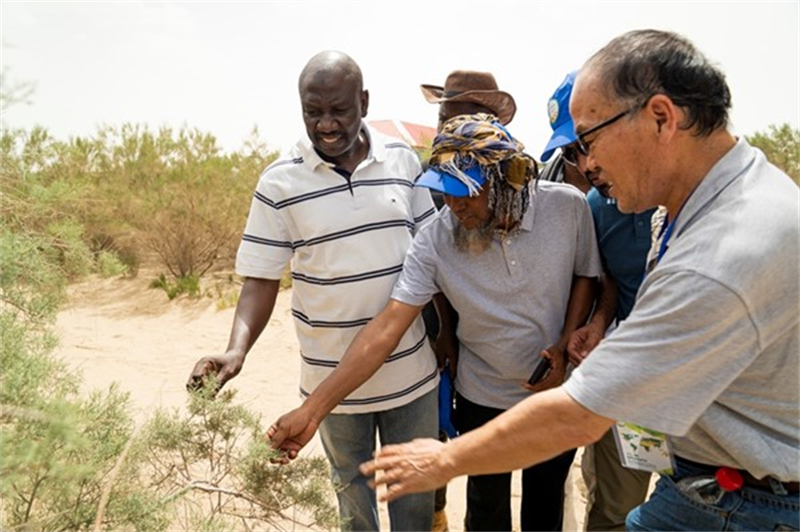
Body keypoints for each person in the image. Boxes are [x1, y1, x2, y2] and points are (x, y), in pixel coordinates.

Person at [361, 29, 800, 532]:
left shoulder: (724, 252)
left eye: (589, 140)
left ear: (661, 117)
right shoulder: (698, 204)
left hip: (750, 506)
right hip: (705, 485)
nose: (586, 165)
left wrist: (442, 461)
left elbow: (582, 414)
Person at [269, 113, 601, 531]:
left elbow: (586, 276)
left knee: (544, 508)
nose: (453, 204)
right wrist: (313, 411)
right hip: (483, 397)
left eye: (464, 191)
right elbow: (387, 328)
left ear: (504, 179)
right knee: (486, 512)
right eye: (444, 190)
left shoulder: (567, 207)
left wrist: (566, 339)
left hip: (557, 392)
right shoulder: (435, 240)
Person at [186, 50, 439, 532]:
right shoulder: (280, 182)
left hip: (411, 375)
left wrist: (446, 340)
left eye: (339, 110)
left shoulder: (404, 160)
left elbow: (432, 256)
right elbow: (261, 277)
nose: (326, 125)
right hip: (328, 384)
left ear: (363, 101)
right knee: (353, 507)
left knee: (415, 506)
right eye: (312, 111)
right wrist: (236, 350)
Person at [541, 70, 656, 531]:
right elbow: (607, 279)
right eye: (572, 152)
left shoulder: (692, 199)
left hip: (690, 389)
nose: (584, 164)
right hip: (622, 382)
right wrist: (601, 320)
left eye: (588, 144)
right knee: (613, 508)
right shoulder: (593, 205)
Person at [419, 69, 518, 532]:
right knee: (442, 432)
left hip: (495, 342)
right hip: (444, 330)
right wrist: (445, 335)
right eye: (440, 116)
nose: (442, 125)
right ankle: (438, 515)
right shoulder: (435, 174)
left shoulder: (505, 172)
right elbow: (430, 259)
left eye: (451, 115)